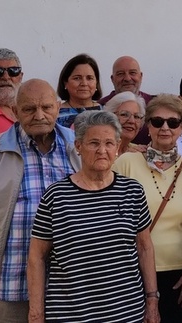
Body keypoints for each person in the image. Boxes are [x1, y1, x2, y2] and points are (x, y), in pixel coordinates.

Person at [0, 79, 81, 322]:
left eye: (46, 107)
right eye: (29, 109)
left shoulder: (78, 146)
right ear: (14, 112)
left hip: (70, 285)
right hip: (10, 282)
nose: (39, 115)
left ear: (58, 108)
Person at [27, 111, 159, 323]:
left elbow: (145, 247)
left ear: (117, 147)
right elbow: (37, 257)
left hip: (126, 313)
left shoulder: (132, 191)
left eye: (109, 143)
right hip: (71, 315)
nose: (102, 150)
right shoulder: (56, 196)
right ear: (78, 146)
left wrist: (152, 300)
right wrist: (36, 313)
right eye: (94, 143)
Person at [115, 95, 182, 323]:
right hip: (133, 272)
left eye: (173, 122)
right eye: (157, 121)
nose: (165, 127)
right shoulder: (126, 163)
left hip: (179, 276)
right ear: (148, 125)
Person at [99, 55, 154, 142]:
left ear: (141, 76)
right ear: (112, 79)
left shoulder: (154, 105)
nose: (127, 78)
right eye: (120, 74)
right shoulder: (101, 107)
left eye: (132, 73)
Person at [56, 53, 102, 128]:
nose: (84, 83)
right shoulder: (54, 113)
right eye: (77, 78)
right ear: (65, 83)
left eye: (89, 78)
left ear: (96, 82)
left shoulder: (106, 111)